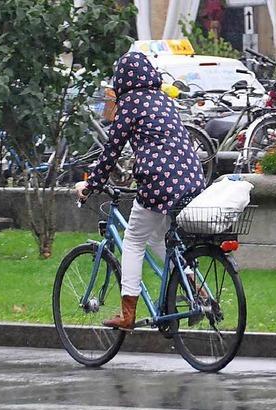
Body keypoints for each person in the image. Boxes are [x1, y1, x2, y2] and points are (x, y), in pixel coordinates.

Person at [75, 52, 205, 330]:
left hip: (159, 182)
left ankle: (127, 314)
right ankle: (195, 288)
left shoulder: (130, 105)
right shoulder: (163, 100)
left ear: (122, 79)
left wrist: (90, 185)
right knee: (159, 237)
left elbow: (111, 152)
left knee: (133, 240)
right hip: (191, 179)